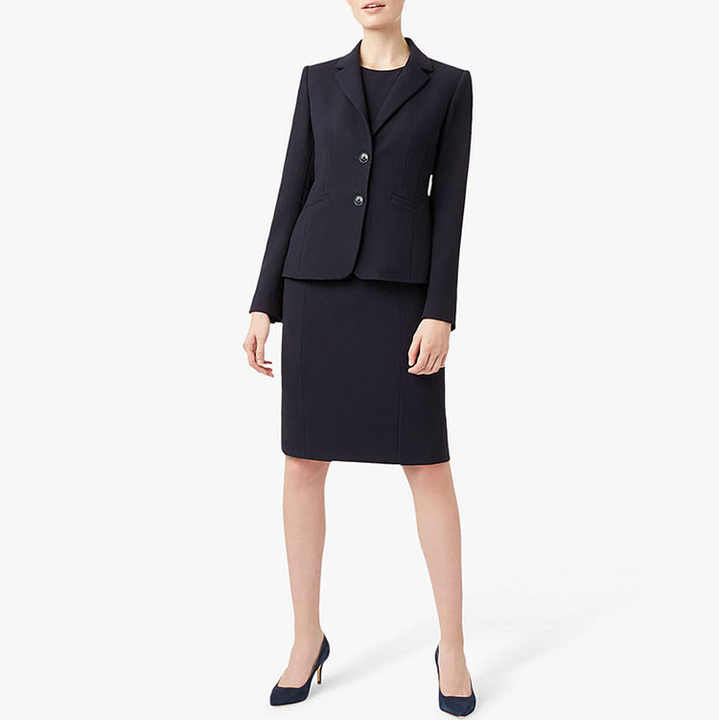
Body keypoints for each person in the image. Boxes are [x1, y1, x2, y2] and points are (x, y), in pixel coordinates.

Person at [244, 1, 475, 714]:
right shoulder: (318, 81)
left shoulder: (449, 84)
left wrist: (440, 310)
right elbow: (293, 187)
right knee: (303, 463)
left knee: (426, 465)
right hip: (315, 289)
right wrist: (263, 301)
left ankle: (453, 646)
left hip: (401, 298)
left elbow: (451, 205)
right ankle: (306, 638)